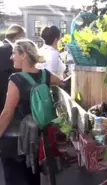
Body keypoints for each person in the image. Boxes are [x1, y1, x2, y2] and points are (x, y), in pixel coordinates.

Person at [0, 39, 62, 185]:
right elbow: (62, 82)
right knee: (33, 176)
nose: (11, 57)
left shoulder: (16, 79)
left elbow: (7, 113)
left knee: (16, 178)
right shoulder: (45, 75)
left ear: (23, 55)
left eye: (14, 53)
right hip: (35, 136)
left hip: (15, 141)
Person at [0, 24, 25, 112]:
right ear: (18, 36)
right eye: (23, 37)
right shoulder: (10, 50)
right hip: (5, 99)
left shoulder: (2, 46)